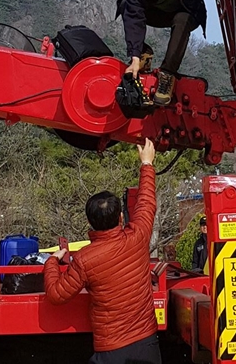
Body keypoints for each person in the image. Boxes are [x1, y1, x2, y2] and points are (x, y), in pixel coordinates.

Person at [44, 138, 161, 364]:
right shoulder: (137, 237)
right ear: (120, 218)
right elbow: (147, 203)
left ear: (91, 222)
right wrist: (146, 164)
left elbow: (56, 295)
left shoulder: (84, 259)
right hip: (147, 341)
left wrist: (51, 262)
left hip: (111, 348)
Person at [116, 0, 233, 106]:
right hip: (159, 15)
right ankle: (143, 54)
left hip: (187, 13)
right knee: (125, 3)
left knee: (182, 19)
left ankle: (168, 74)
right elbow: (134, 17)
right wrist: (135, 57)